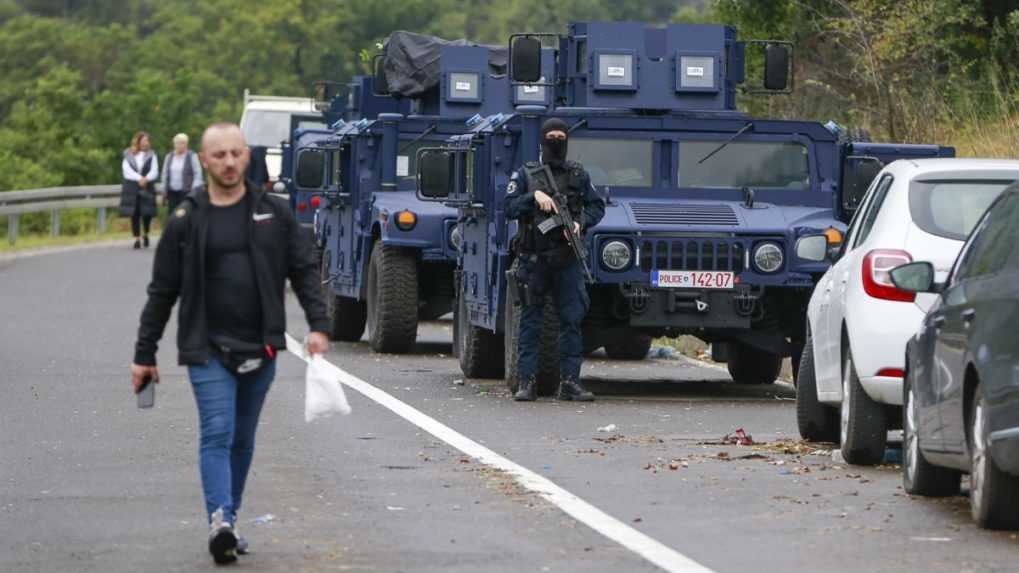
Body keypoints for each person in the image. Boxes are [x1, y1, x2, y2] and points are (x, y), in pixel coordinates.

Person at [130, 123, 330, 565]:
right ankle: (219, 518)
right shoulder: (187, 218)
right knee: (217, 431)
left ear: (247, 156)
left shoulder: (273, 213)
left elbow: (303, 271)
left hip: (263, 346)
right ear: (204, 160)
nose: (227, 162)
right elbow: (162, 291)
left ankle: (231, 520)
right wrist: (144, 355)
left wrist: (319, 325)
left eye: (235, 154)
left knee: (242, 437)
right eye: (217, 155)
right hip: (206, 347)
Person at [504, 118, 605, 402]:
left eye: (562, 136)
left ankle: (570, 381)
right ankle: (527, 381)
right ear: (542, 140)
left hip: (567, 258)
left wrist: (579, 223)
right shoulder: (525, 174)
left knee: (572, 320)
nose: (557, 141)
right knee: (531, 321)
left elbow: (597, 206)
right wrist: (533, 197)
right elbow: (508, 207)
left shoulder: (578, 174)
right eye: (552, 136)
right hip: (534, 259)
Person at [119, 131, 160, 249]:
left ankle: (145, 233)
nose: (145, 143)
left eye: (147, 141)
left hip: (147, 187)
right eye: (143, 140)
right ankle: (136, 238)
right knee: (134, 213)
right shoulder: (129, 154)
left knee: (147, 213)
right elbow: (126, 170)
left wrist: (146, 179)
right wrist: (139, 178)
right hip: (132, 187)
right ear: (138, 141)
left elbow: (155, 170)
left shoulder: (152, 155)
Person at [161, 133, 203, 212]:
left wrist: (194, 189)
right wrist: (164, 189)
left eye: (182, 143)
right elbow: (164, 174)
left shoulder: (192, 156)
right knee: (172, 215)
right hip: (172, 192)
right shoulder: (169, 156)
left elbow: (198, 173)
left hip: (187, 192)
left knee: (185, 214)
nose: (180, 145)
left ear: (186, 144)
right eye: (178, 143)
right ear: (174, 144)